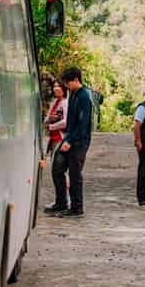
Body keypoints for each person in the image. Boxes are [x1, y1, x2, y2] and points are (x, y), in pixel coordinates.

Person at [55, 67, 94, 218]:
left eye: (68, 83)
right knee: (57, 169)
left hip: (79, 141)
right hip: (69, 137)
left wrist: (70, 140)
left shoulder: (84, 96)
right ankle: (61, 202)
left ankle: (77, 207)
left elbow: (83, 124)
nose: (66, 86)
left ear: (76, 80)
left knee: (75, 174)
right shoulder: (73, 94)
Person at [43, 80, 69, 214]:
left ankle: (63, 201)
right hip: (52, 139)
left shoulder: (65, 103)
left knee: (58, 171)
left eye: (59, 86)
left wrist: (52, 126)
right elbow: (47, 118)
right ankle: (60, 200)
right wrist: (49, 120)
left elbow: (66, 121)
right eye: (54, 86)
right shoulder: (55, 102)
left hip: (60, 139)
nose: (56, 88)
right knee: (55, 171)